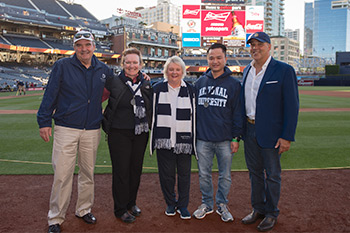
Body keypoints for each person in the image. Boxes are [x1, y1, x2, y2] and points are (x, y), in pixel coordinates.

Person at [37, 30, 113, 233]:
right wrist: (43, 121)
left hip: (92, 129)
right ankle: (56, 218)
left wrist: (142, 75)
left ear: (94, 46)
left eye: (87, 45)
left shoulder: (104, 69)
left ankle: (84, 209)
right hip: (66, 128)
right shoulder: (62, 66)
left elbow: (119, 87)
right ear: (74, 47)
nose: (84, 49)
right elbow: (50, 93)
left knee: (88, 173)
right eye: (79, 45)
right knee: (62, 175)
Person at [241, 32, 299, 232]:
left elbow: (292, 106)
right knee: (254, 174)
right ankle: (258, 208)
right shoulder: (246, 70)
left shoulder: (284, 70)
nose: (255, 48)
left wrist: (287, 136)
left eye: (259, 44)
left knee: (272, 175)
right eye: (252, 45)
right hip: (249, 129)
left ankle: (272, 212)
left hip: (272, 133)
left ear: (269, 46)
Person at [193, 43, 243, 222]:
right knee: (204, 174)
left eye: (218, 57)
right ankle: (207, 203)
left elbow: (238, 113)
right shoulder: (199, 82)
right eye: (211, 58)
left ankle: (222, 204)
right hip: (203, 139)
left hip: (224, 139)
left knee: (225, 175)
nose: (215, 61)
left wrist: (236, 137)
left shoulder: (234, 85)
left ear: (225, 59)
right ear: (207, 59)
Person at [102, 47, 152, 224]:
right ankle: (120, 208)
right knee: (121, 171)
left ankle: (132, 203)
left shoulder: (146, 83)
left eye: (135, 62)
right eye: (128, 62)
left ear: (140, 64)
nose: (131, 65)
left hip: (140, 133)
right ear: (122, 64)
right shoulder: (113, 82)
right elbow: (96, 99)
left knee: (135, 170)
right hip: (118, 133)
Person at [150, 56, 196, 220]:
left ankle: (183, 205)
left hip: (184, 140)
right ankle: (170, 203)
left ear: (183, 72)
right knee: (166, 175)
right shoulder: (157, 89)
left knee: (184, 175)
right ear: (166, 71)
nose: (174, 72)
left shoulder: (191, 90)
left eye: (177, 69)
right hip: (165, 140)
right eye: (171, 69)